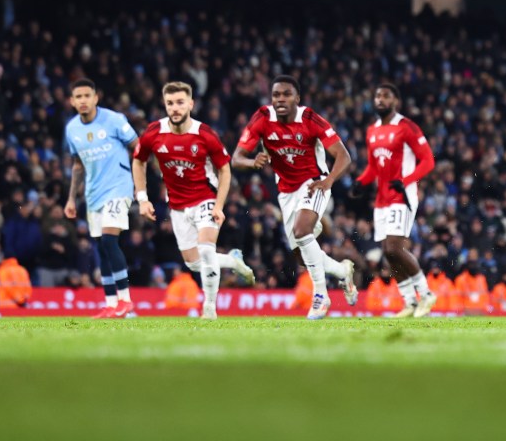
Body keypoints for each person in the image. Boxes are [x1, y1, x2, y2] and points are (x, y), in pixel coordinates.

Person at [232, 75, 357, 319]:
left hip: (315, 184)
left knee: (302, 231)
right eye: (276, 94)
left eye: (286, 94)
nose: (280, 99)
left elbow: (344, 156)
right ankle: (342, 272)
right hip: (286, 191)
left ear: (297, 99)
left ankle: (321, 296)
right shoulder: (262, 118)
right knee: (302, 254)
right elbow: (236, 157)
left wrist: (328, 180)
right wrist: (251, 161)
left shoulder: (311, 119)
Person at [133, 81, 254, 320]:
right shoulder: (154, 132)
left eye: (180, 102)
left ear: (191, 104)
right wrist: (142, 198)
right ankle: (233, 261)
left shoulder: (205, 134)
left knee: (207, 253)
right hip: (178, 207)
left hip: (205, 199)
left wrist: (219, 206)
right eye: (170, 103)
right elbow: (139, 161)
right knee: (194, 263)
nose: (175, 108)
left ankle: (209, 308)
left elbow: (225, 170)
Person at [350, 84, 437, 318]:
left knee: (393, 247)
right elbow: (372, 167)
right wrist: (361, 182)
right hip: (382, 200)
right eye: (377, 95)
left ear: (395, 101)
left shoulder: (406, 126)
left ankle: (426, 294)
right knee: (388, 253)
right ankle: (409, 302)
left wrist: (406, 180)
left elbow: (428, 161)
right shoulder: (372, 131)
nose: (380, 99)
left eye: (386, 96)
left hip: (402, 196)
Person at [64, 78, 139, 319]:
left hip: (119, 187)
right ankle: (110, 304)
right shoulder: (72, 129)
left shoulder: (114, 120)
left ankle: (125, 300)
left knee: (109, 240)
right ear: (72, 102)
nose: (83, 100)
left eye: (87, 95)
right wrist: (71, 199)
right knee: (102, 248)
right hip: (93, 193)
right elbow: (77, 165)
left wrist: (142, 187)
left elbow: (139, 148)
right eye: (79, 97)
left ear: (96, 98)